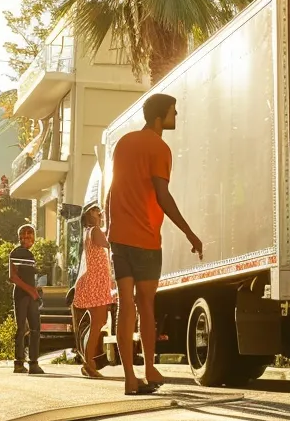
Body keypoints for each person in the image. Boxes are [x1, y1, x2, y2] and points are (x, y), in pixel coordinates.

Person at [107, 93, 203, 396]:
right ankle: (148, 367)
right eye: (174, 111)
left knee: (125, 306)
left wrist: (112, 226)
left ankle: (129, 378)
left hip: (119, 236)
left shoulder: (123, 143)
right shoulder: (160, 148)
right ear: (160, 117)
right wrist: (189, 232)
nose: (178, 114)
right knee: (146, 304)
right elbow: (162, 195)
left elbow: (113, 188)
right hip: (146, 238)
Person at [72, 205, 116, 378]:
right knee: (98, 322)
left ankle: (88, 361)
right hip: (96, 283)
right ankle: (89, 362)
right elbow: (109, 244)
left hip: (95, 282)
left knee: (98, 321)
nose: (98, 212)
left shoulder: (90, 231)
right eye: (94, 210)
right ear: (89, 215)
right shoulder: (95, 231)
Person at [7, 224, 44, 375]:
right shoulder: (17, 252)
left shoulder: (29, 254)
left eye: (30, 234)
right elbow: (13, 277)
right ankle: (20, 363)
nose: (27, 237)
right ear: (20, 237)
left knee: (34, 328)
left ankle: (33, 363)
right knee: (22, 328)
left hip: (29, 295)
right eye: (24, 235)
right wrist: (31, 291)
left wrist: (34, 291)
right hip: (22, 295)